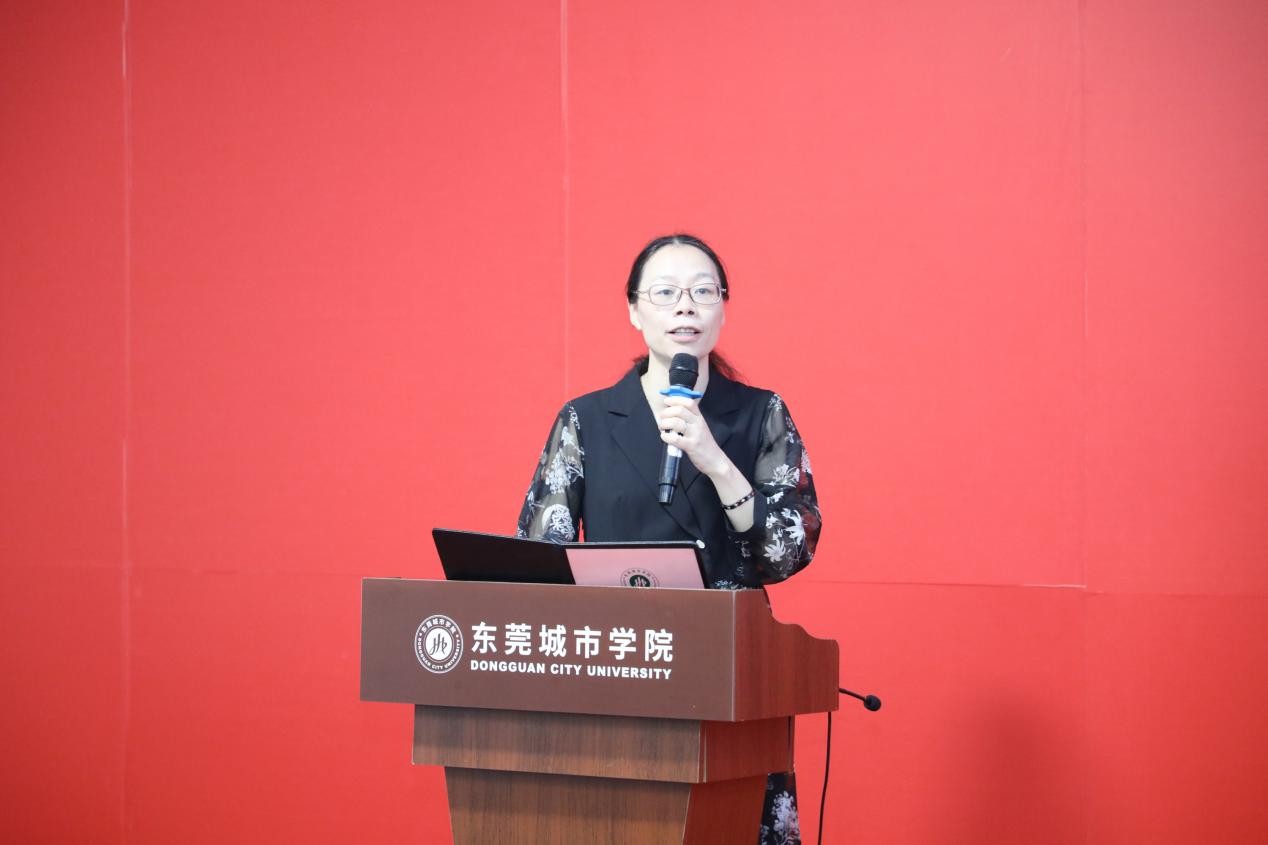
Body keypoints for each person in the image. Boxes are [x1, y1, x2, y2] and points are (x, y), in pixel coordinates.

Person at [517, 233, 820, 845]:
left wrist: (716, 461)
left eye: (703, 291)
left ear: (723, 307)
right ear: (634, 310)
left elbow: (788, 551)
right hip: (619, 666)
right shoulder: (587, 419)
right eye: (665, 292)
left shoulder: (760, 413)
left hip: (729, 671)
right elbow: (540, 555)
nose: (686, 306)